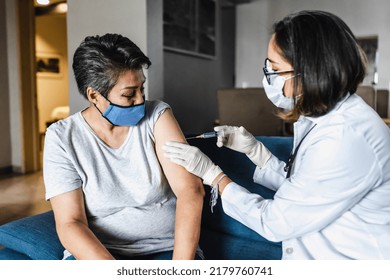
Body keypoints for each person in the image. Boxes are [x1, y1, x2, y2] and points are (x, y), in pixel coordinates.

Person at [163, 10, 390, 259]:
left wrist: (214, 176)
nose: (268, 77)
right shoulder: (321, 115)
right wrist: (257, 153)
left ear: (311, 73)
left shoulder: (346, 137)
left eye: (276, 69)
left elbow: (275, 222)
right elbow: (306, 189)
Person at [43, 33, 205, 260]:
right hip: (100, 255)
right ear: (94, 95)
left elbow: (191, 190)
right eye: (129, 94)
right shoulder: (61, 138)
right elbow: (70, 222)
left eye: (142, 89)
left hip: (165, 249)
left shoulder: (157, 115)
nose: (140, 100)